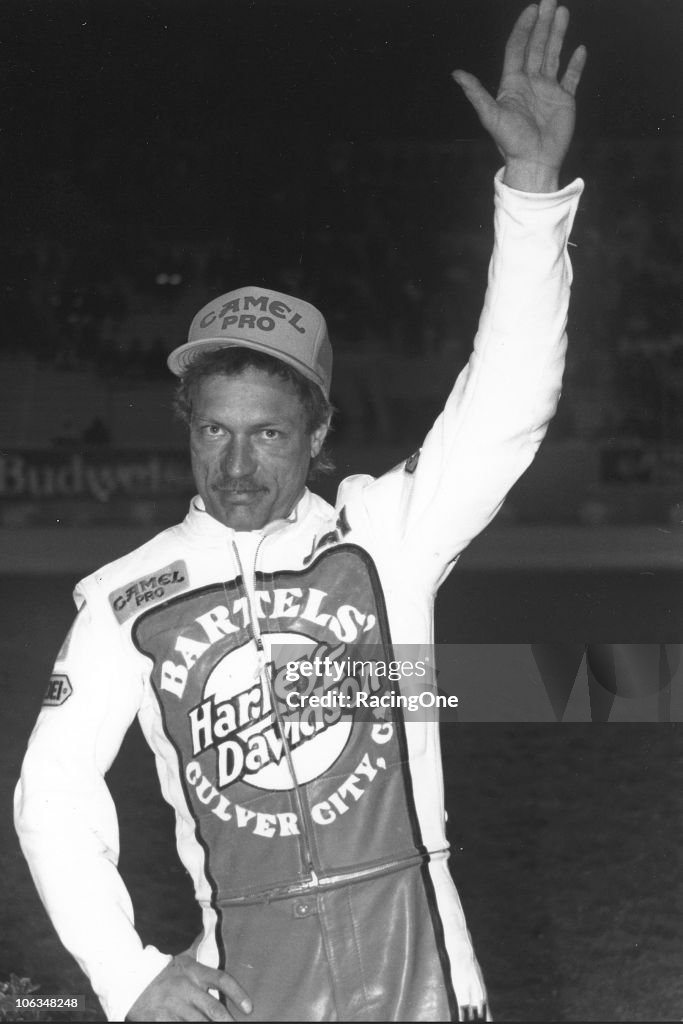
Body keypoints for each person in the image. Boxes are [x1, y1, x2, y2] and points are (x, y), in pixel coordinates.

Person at [15, 3, 586, 1020]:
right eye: (214, 429)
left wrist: (531, 192)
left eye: (268, 433)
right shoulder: (125, 598)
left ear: (317, 434)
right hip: (252, 996)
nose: (236, 463)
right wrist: (128, 972)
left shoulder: (384, 535)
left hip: (425, 989)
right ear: (187, 426)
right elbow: (50, 791)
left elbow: (508, 400)